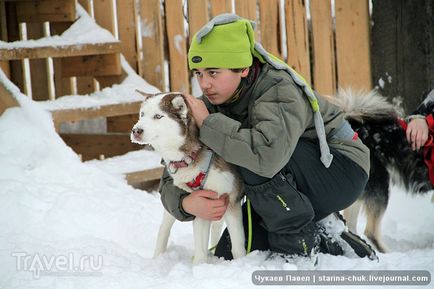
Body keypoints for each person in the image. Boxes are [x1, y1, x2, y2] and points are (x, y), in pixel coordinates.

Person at [159, 13, 376, 260]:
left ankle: (296, 249)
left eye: (213, 72)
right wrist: (186, 203)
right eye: (198, 73)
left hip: (340, 168)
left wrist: (208, 124)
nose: (204, 83)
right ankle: (326, 228)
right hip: (287, 175)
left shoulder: (277, 88)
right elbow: (174, 165)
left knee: (252, 155)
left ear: (243, 68)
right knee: (230, 253)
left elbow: (266, 156)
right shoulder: (213, 100)